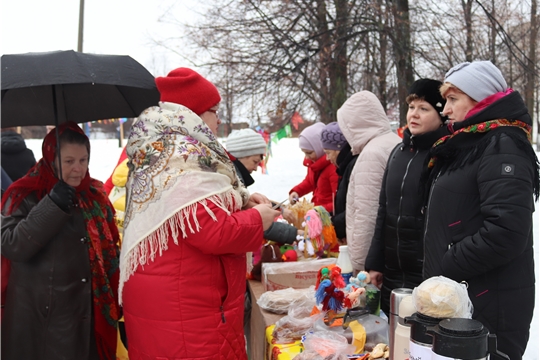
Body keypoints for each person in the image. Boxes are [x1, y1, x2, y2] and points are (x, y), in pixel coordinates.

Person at [119, 67, 280, 360]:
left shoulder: (161, 147)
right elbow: (212, 232)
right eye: (213, 111)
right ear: (193, 114)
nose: (217, 120)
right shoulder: (181, 154)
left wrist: (241, 200)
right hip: (186, 310)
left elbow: (195, 206)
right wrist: (259, 218)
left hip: (171, 299)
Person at [422, 61, 539, 360]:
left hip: (489, 301)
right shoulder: (471, 142)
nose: (445, 109)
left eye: (453, 99)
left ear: (480, 98)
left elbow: (506, 232)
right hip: (464, 295)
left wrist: (447, 262)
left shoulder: (502, 145)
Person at [1, 121, 121, 360]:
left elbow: (110, 252)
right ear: (50, 158)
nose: (78, 169)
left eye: (83, 160)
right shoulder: (22, 193)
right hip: (42, 325)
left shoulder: (95, 195)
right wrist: (52, 205)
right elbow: (11, 244)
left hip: (88, 319)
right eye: (68, 161)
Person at [365, 79, 448, 315]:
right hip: (391, 271)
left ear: (441, 114)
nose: (415, 114)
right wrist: (375, 263)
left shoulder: (445, 154)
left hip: (426, 274)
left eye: (424, 108)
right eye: (412, 107)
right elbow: (384, 210)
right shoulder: (398, 153)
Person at [337, 91, 401, 274]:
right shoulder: (395, 141)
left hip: (373, 264)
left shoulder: (371, 155)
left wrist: (359, 264)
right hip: (391, 253)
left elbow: (366, 214)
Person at [287, 122, 339, 213]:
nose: (307, 157)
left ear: (320, 148)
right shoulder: (313, 163)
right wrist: (296, 192)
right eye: (304, 153)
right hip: (317, 214)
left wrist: (317, 210)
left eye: (309, 153)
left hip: (328, 217)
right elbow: (310, 182)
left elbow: (338, 202)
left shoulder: (333, 168)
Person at [320, 121, 354, 244]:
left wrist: (332, 224)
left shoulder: (352, 167)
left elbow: (355, 209)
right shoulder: (343, 167)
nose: (327, 158)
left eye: (328, 153)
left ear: (339, 148)